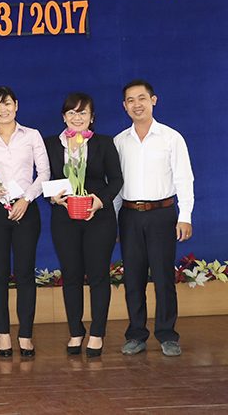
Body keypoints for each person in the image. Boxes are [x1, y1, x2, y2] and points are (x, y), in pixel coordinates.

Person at [115, 79, 194, 358]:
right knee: (133, 278)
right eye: (130, 100)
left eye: (142, 98)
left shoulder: (171, 138)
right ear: (124, 106)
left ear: (153, 100)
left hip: (162, 214)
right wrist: (113, 221)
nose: (137, 105)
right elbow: (116, 187)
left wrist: (185, 216)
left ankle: (167, 334)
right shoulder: (119, 142)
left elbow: (184, 178)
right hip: (129, 215)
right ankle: (136, 334)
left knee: (163, 278)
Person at [43, 92, 122, 357]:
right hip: (64, 219)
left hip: (99, 218)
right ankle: (76, 331)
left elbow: (117, 180)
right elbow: (45, 178)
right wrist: (52, 197)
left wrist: (100, 201)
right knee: (71, 275)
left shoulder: (104, 143)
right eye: (72, 113)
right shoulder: (51, 144)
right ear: (64, 117)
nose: (77, 118)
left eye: (83, 113)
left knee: (98, 275)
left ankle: (97, 333)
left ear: (92, 117)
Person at [0, 87, 49, 358]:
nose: (2, 110)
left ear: (16, 105)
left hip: (25, 209)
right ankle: (3, 334)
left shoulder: (32, 135)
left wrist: (26, 199)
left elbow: (44, 172)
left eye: (6, 104)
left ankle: (25, 334)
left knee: (25, 273)